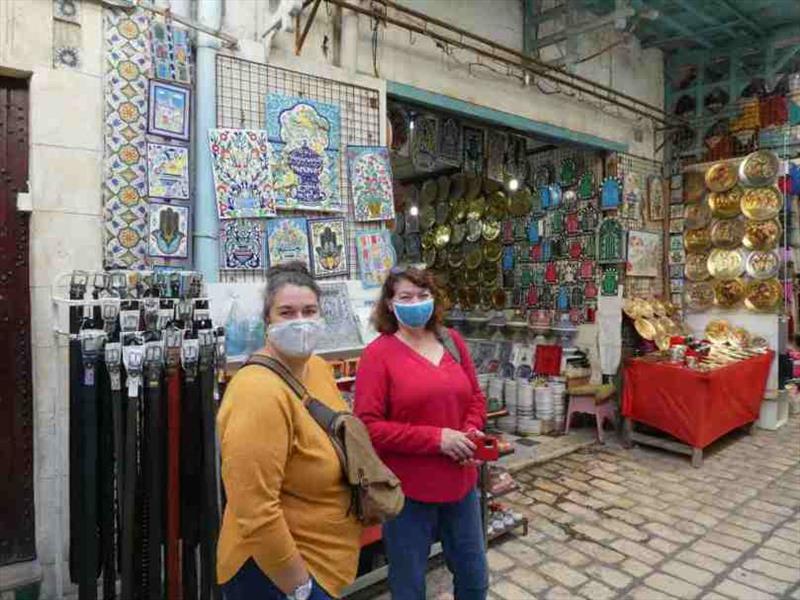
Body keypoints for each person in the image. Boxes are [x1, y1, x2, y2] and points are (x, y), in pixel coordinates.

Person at [217, 262, 361, 600]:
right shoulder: (256, 392)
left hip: (323, 564)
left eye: (310, 311)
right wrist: (299, 586)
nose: (301, 322)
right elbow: (254, 509)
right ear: (268, 322)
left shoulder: (317, 369)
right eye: (287, 312)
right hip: (273, 574)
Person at [354, 267, 489, 600]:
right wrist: (437, 439)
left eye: (423, 295)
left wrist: (470, 431)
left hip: (461, 486)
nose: (416, 302)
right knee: (409, 587)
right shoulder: (378, 355)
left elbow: (475, 396)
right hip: (408, 495)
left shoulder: (452, 341)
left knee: (474, 579)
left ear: (434, 299)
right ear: (390, 303)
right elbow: (368, 426)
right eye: (405, 297)